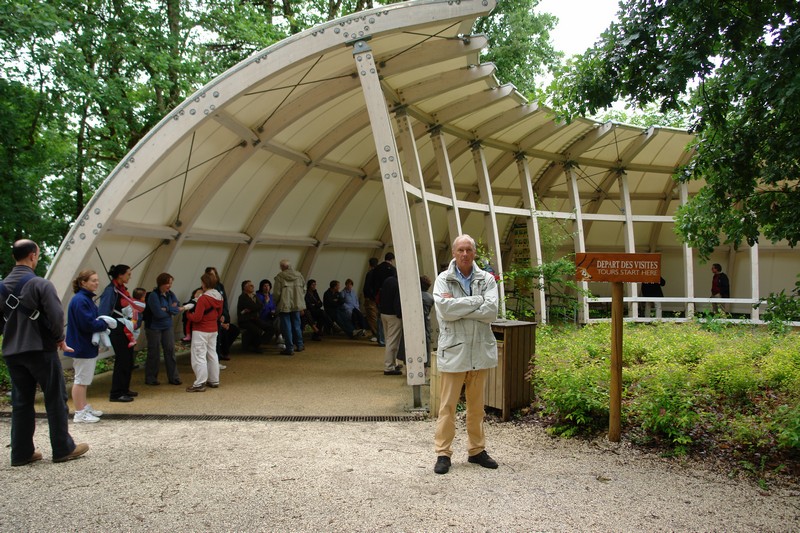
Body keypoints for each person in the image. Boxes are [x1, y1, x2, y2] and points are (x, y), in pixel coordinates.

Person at [1, 239, 89, 465]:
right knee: (55, 397)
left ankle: (21, 453)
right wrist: (59, 338)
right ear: (33, 256)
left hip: (12, 352)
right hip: (40, 349)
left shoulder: (2, 288)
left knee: (21, 401)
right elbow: (56, 315)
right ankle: (62, 448)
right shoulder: (41, 284)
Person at [432, 234, 499, 475]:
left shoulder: (487, 279)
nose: (464, 254)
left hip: (479, 351)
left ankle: (476, 450)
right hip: (455, 351)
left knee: (477, 407)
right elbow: (445, 311)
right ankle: (443, 453)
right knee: (447, 407)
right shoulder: (443, 279)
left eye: (468, 250)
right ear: (454, 253)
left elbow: (491, 311)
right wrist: (478, 301)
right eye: (460, 250)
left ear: (474, 253)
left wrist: (460, 305)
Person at [65, 270, 116, 423]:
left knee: (84, 379)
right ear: (83, 283)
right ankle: (80, 412)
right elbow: (87, 324)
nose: (96, 283)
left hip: (84, 344)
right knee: (81, 380)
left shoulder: (84, 299)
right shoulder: (81, 300)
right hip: (82, 345)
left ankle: (83, 406)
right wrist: (104, 323)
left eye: (97, 280)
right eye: (93, 280)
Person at [98, 264, 138, 402]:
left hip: (125, 328)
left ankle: (124, 388)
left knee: (128, 359)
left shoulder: (121, 290)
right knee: (122, 359)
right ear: (120, 275)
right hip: (116, 329)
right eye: (128, 274)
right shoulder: (111, 291)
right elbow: (104, 311)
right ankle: (116, 393)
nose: (130, 277)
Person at [145, 273, 187, 386]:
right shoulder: (153, 296)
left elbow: (177, 307)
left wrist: (166, 309)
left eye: (171, 283)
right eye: (168, 283)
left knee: (170, 350)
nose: (170, 285)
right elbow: (158, 313)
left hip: (167, 326)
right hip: (154, 327)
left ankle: (174, 377)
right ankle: (151, 377)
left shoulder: (170, 294)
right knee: (154, 352)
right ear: (161, 283)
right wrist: (171, 310)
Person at [185, 272, 223, 392]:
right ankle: (214, 380)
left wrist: (188, 314)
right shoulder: (219, 296)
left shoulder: (203, 298)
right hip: (213, 329)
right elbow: (219, 314)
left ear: (204, 283)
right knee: (212, 354)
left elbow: (197, 318)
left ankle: (200, 383)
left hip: (201, 330)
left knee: (199, 355)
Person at [205, 266, 239, 361]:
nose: (213, 277)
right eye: (211, 275)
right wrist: (220, 320)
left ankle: (223, 351)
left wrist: (224, 316)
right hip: (215, 320)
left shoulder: (220, 286)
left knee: (234, 330)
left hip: (223, 316)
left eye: (214, 274)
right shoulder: (205, 289)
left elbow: (224, 303)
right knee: (220, 334)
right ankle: (219, 355)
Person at [273, 259, 306, 356]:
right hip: (297, 304)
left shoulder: (280, 277)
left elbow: (277, 293)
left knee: (286, 327)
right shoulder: (299, 275)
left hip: (284, 305)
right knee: (297, 325)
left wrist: (276, 302)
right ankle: (300, 345)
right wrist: (299, 300)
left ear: (283, 267)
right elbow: (304, 289)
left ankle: (289, 348)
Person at [378, 274, 403, 375]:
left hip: (383, 313)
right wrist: (400, 315)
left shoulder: (388, 280)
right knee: (392, 342)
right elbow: (397, 302)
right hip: (393, 316)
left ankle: (393, 363)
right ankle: (389, 367)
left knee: (389, 340)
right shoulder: (398, 284)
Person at [237, 279, 271, 353]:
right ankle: (254, 346)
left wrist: (254, 308)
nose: (253, 286)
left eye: (252, 285)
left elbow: (258, 307)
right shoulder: (243, 297)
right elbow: (255, 307)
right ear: (245, 287)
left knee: (270, 328)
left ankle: (258, 344)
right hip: (245, 320)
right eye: (250, 285)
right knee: (258, 330)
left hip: (254, 318)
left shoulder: (254, 296)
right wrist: (263, 303)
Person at [371, 252, 397, 347]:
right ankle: (388, 339)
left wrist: (375, 294)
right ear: (392, 259)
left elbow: (373, 282)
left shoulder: (377, 268)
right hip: (390, 296)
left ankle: (381, 339)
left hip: (379, 295)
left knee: (380, 317)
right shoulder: (393, 269)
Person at [362, 257, 380, 340]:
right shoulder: (379, 273)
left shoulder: (370, 273)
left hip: (370, 299)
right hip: (377, 298)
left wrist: (368, 297)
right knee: (376, 316)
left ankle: (377, 335)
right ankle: (377, 334)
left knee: (372, 317)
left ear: (369, 264)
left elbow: (367, 287)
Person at [420, 275, 434, 373]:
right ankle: (426, 363)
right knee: (426, 341)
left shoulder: (416, 296)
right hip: (426, 321)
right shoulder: (430, 298)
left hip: (418, 321)